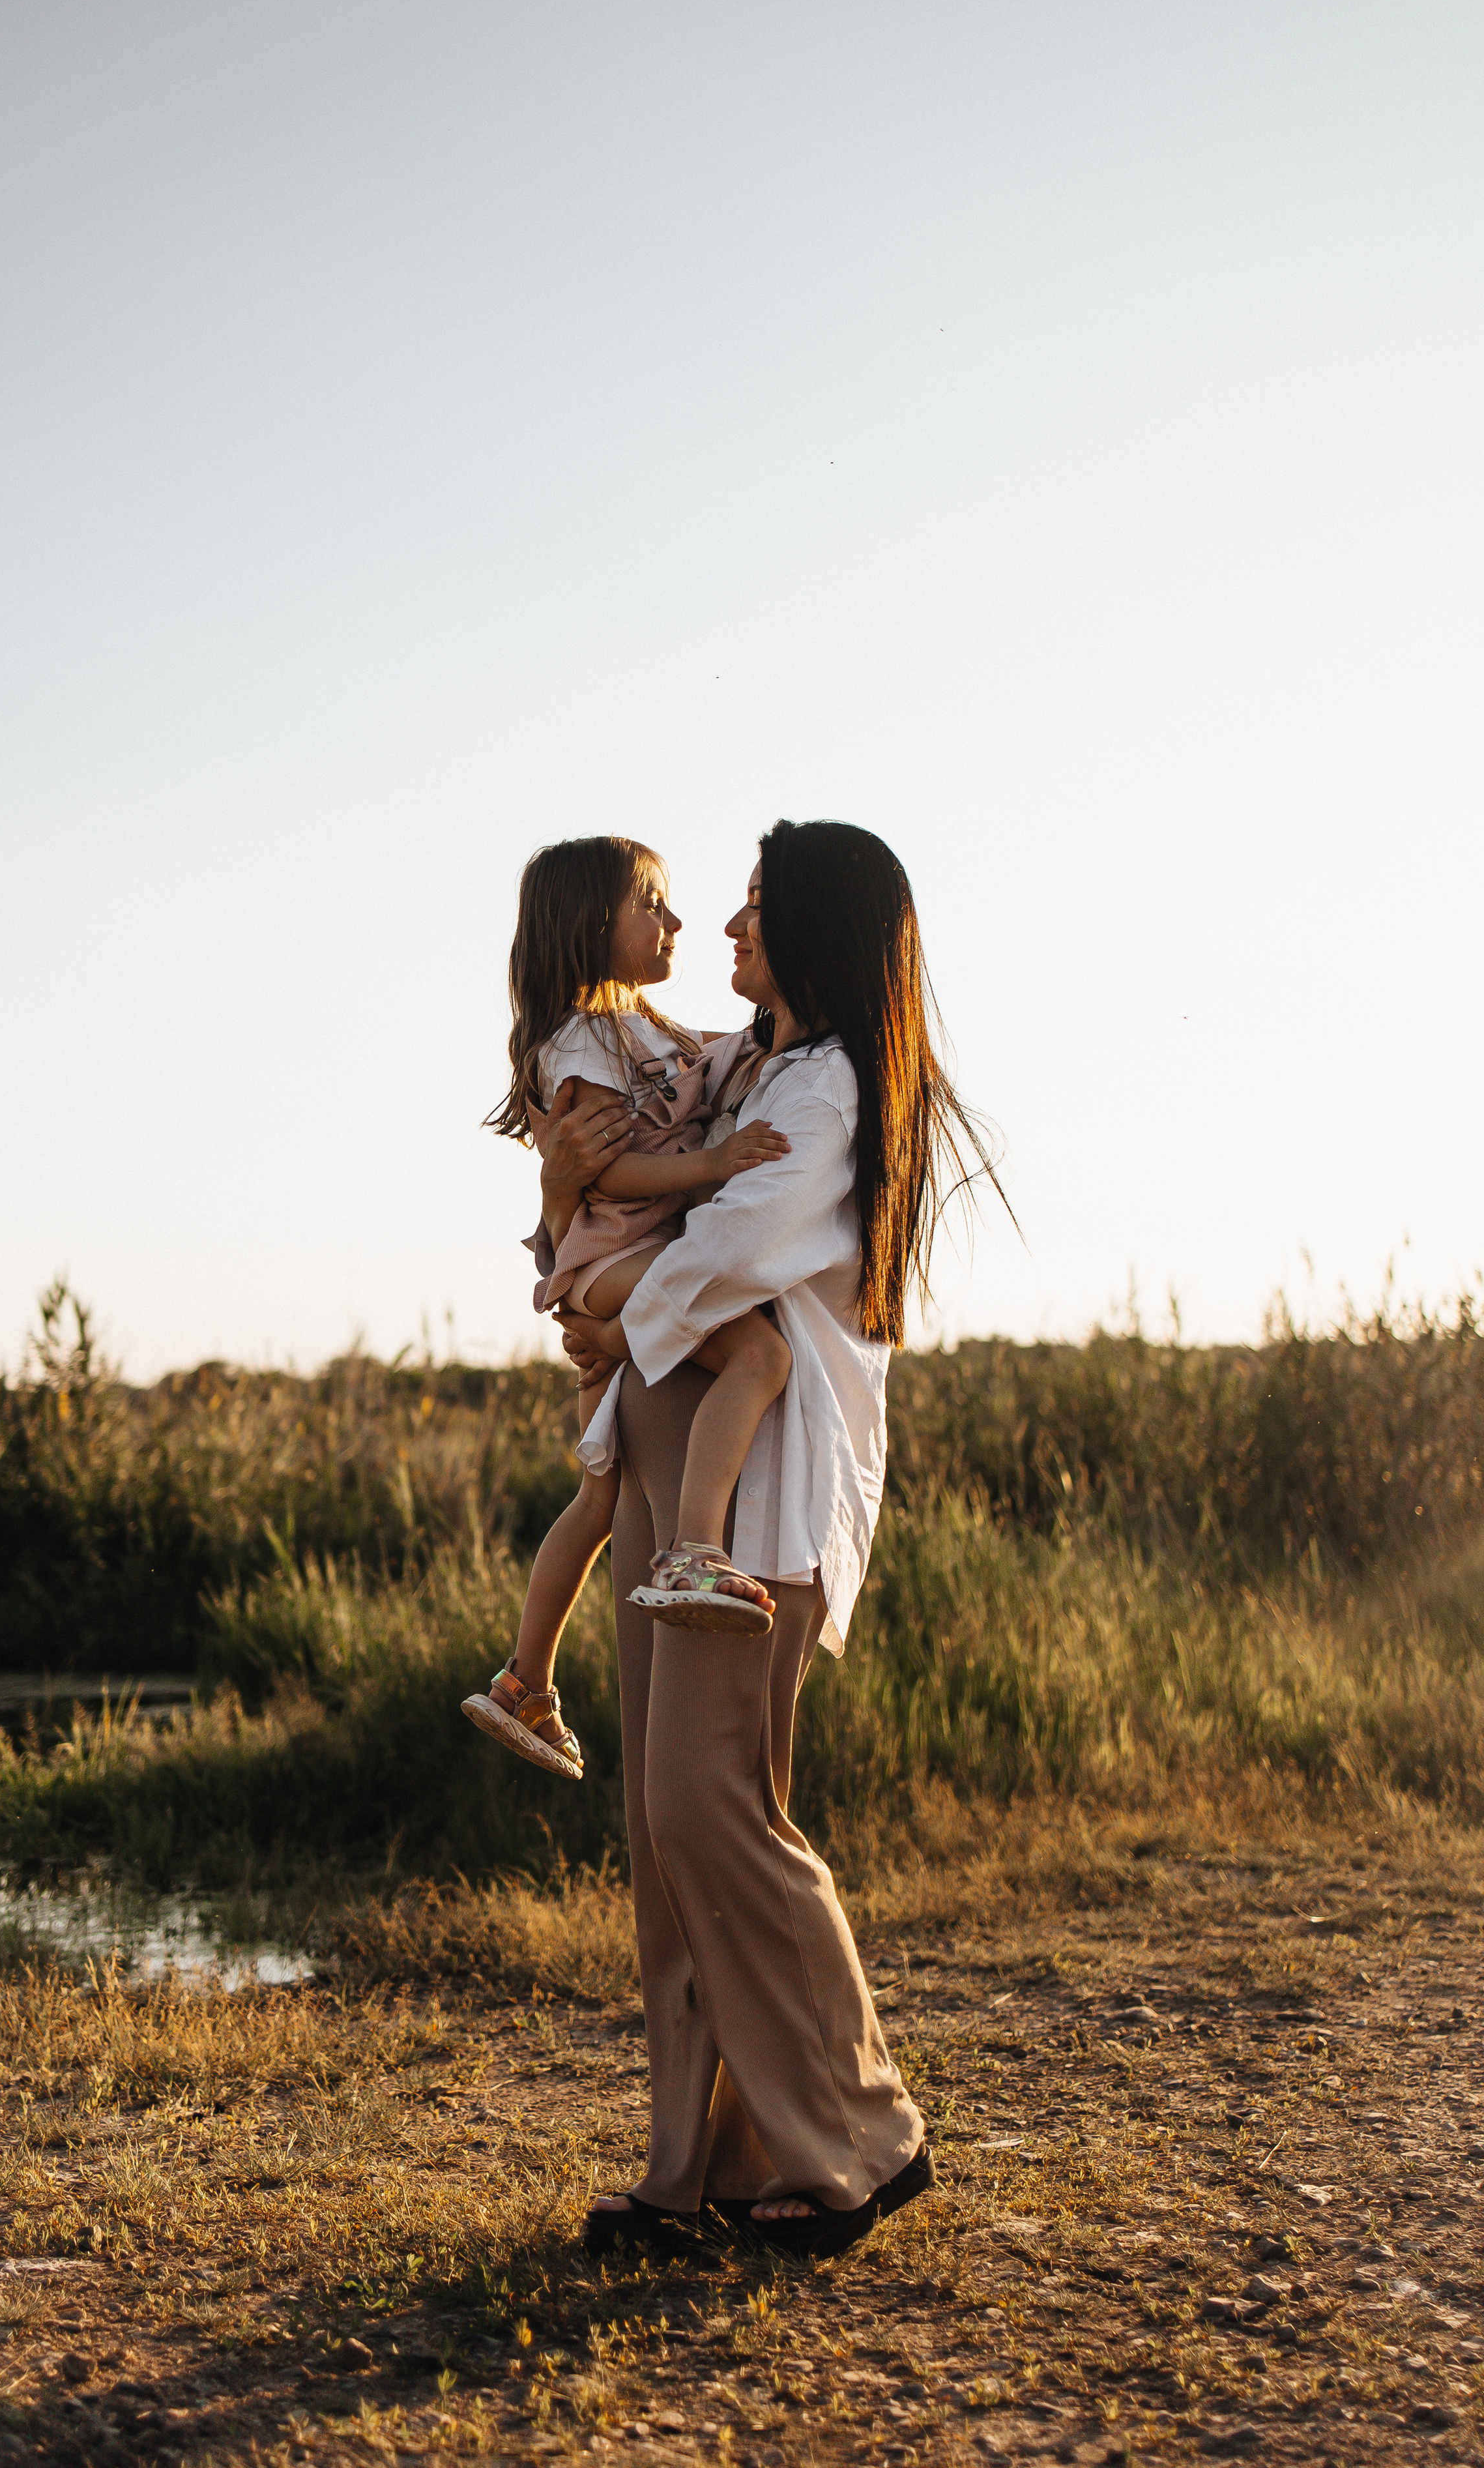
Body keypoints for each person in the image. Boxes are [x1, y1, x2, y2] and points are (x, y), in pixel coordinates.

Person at [544, 819, 1000, 2257]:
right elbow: (613, 1189)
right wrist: (569, 1221)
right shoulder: (742, 1067)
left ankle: (862, 2134)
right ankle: (698, 2166)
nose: (729, 927)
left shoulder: (827, 1089)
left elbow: (729, 1251)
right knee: (663, 1833)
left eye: (753, 906)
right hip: (670, 1470)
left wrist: (602, 1301)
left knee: (713, 1809)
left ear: (813, 930)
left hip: (754, 1510)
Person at [461, 834, 795, 1782]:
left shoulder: (645, 1029)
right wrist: (713, 1164)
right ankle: (694, 1550)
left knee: (599, 1497)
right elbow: (603, 1171)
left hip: (618, 1262)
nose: (676, 921)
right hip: (609, 1262)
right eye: (651, 904)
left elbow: (722, 1063)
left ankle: (526, 1681)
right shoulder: (581, 1043)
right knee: (758, 1356)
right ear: (587, 925)